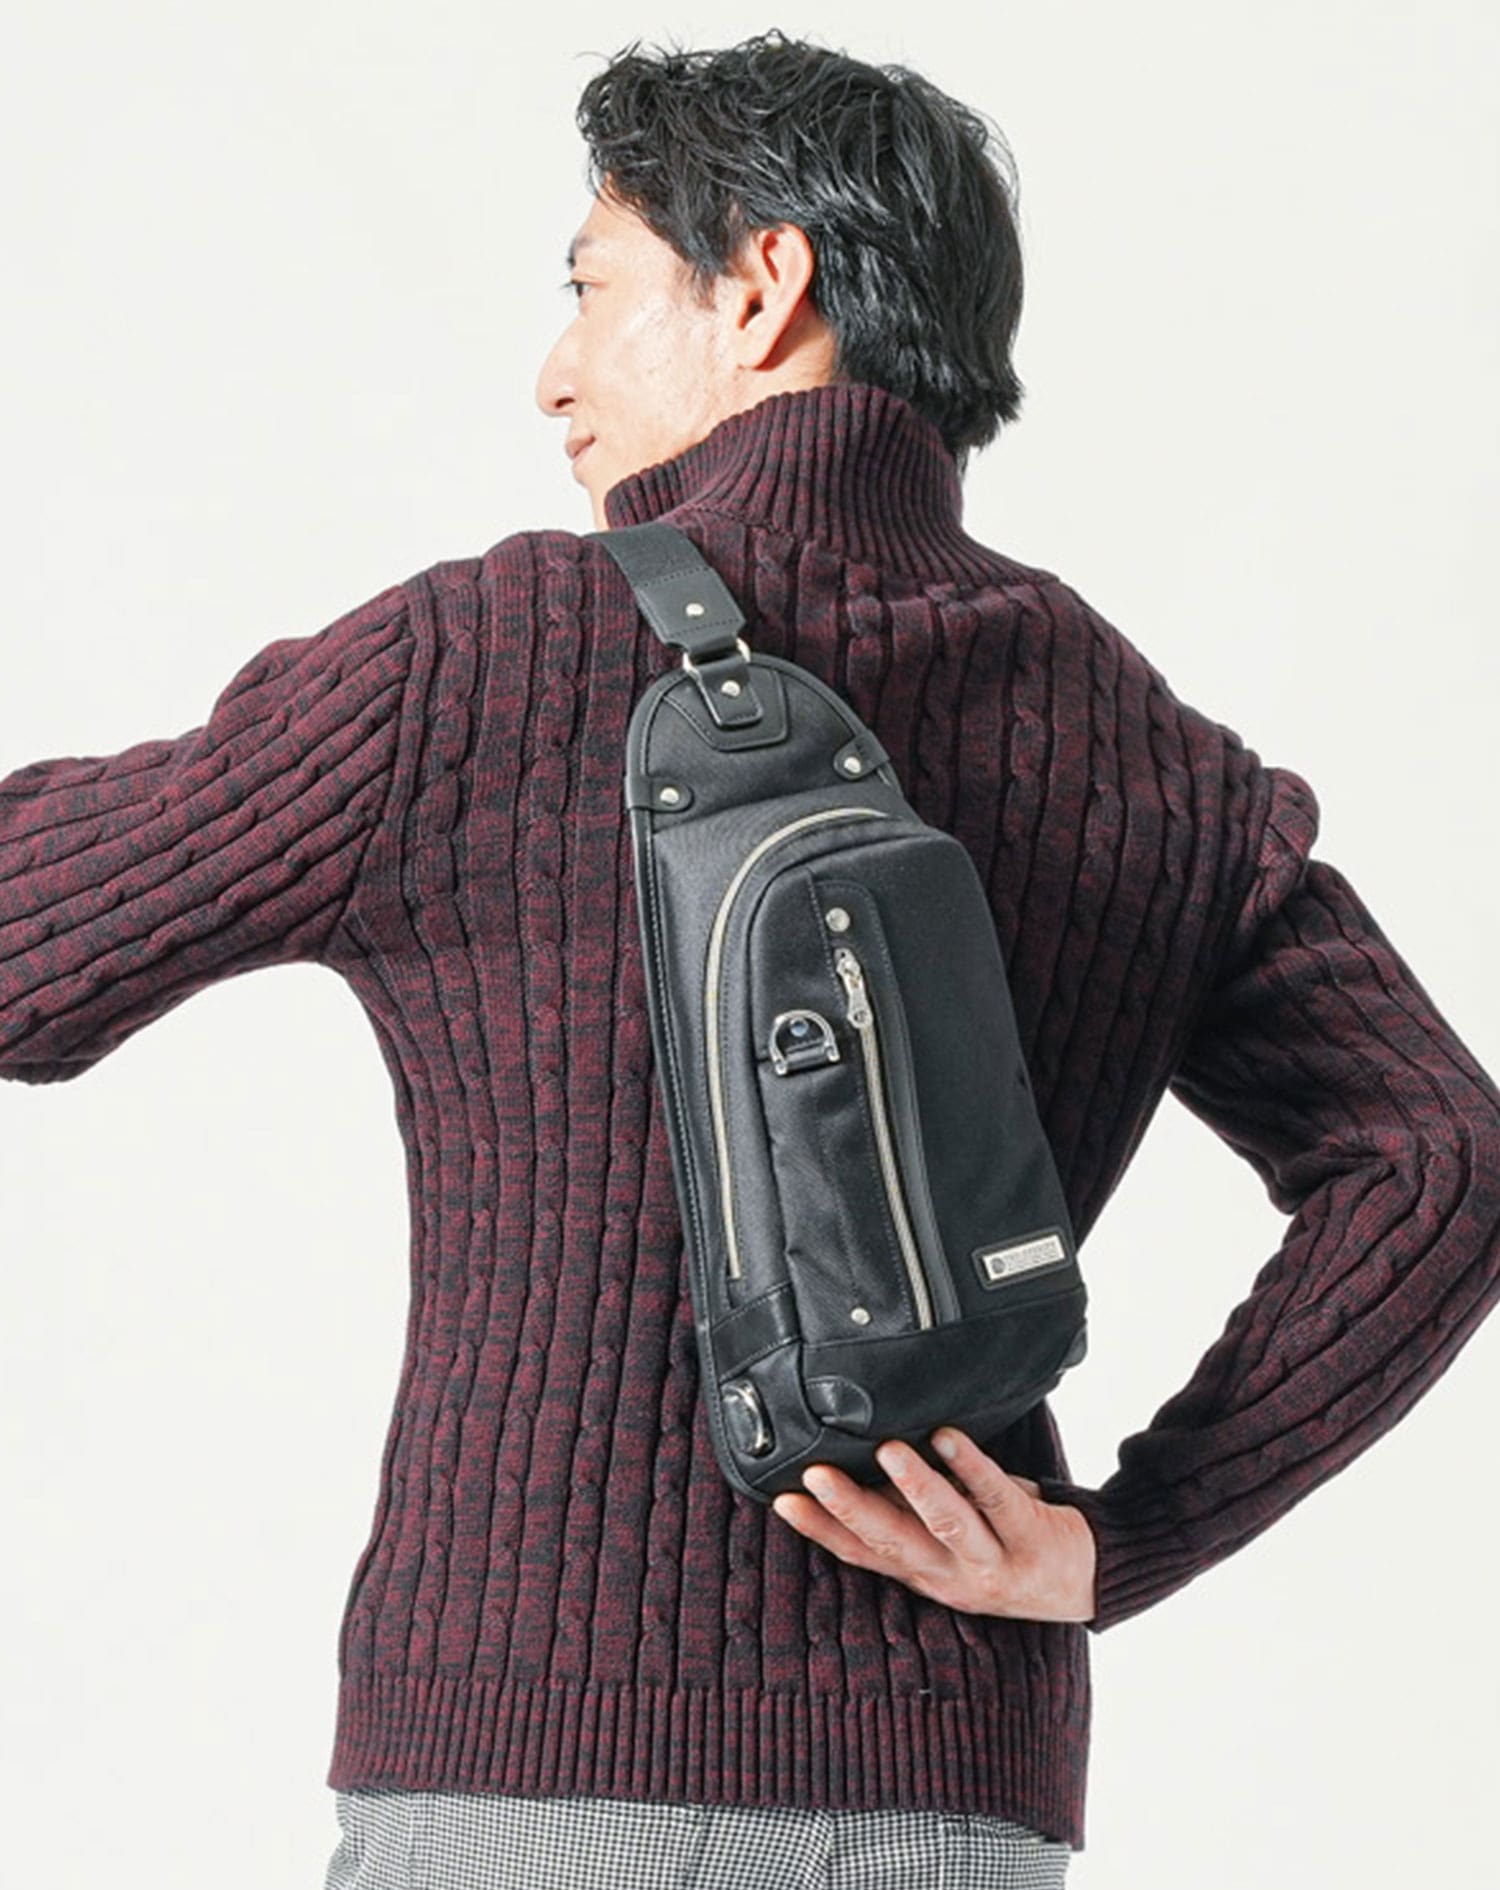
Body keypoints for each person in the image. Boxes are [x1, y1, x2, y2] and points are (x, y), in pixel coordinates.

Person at [2, 27, 1497, 1890]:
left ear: (763, 284)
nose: (554, 374)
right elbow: (1439, 1153)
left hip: (536, 1771)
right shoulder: (1148, 747)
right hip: (954, 1789)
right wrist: (1127, 1539)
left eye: (592, 283)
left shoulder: (489, 658)